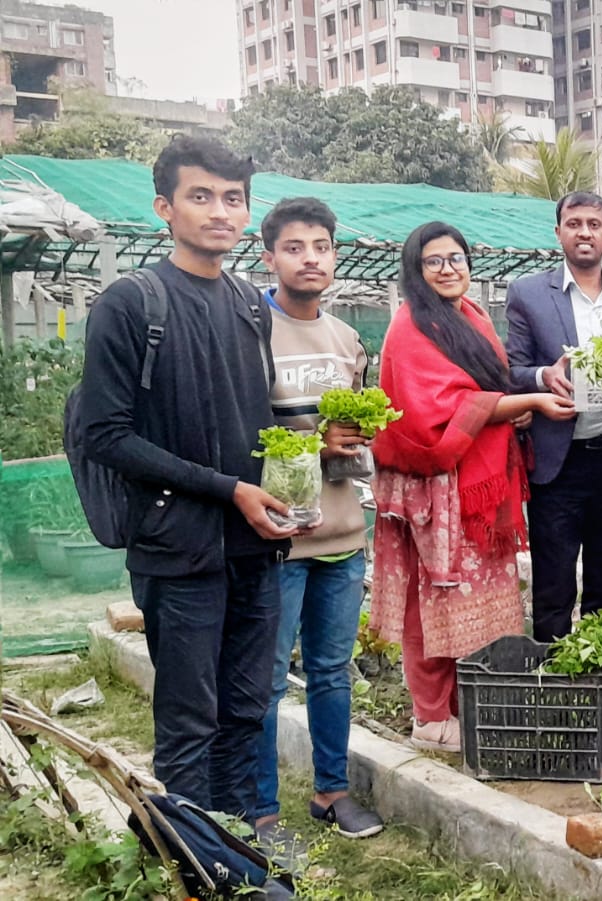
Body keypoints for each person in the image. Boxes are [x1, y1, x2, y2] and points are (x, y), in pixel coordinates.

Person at [78, 135, 295, 821]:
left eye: (233, 199)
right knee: (188, 721)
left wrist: (302, 464)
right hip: (179, 551)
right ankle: (195, 866)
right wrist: (229, 489)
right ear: (163, 208)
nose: (220, 212)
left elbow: (250, 421)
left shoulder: (250, 306)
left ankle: (239, 853)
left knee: (244, 708)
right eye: (201, 197)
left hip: (254, 548)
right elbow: (105, 435)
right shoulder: (131, 303)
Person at [370, 222, 576, 752]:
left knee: (478, 597)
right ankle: (431, 717)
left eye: (456, 258)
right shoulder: (409, 326)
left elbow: (491, 387)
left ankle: (468, 704)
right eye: (433, 261)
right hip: (439, 486)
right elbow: (438, 412)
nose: (447, 269)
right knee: (435, 598)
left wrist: (527, 394)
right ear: (416, 270)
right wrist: (525, 406)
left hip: (479, 485)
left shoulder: (473, 315)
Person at [249, 197, 385, 846]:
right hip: (277, 539)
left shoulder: (347, 339)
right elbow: (238, 438)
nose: (311, 258)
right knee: (267, 680)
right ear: (268, 254)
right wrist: (314, 446)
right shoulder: (249, 333)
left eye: (322, 246)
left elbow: (359, 441)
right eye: (296, 247)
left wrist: (356, 444)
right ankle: (261, 812)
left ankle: (331, 791)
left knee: (332, 671)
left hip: (342, 535)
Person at [505, 192, 602, 642]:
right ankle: (555, 684)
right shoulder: (528, 293)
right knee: (554, 582)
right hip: (558, 462)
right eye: (574, 223)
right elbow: (510, 369)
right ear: (558, 233)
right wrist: (543, 375)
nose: (584, 232)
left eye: (593, 223)